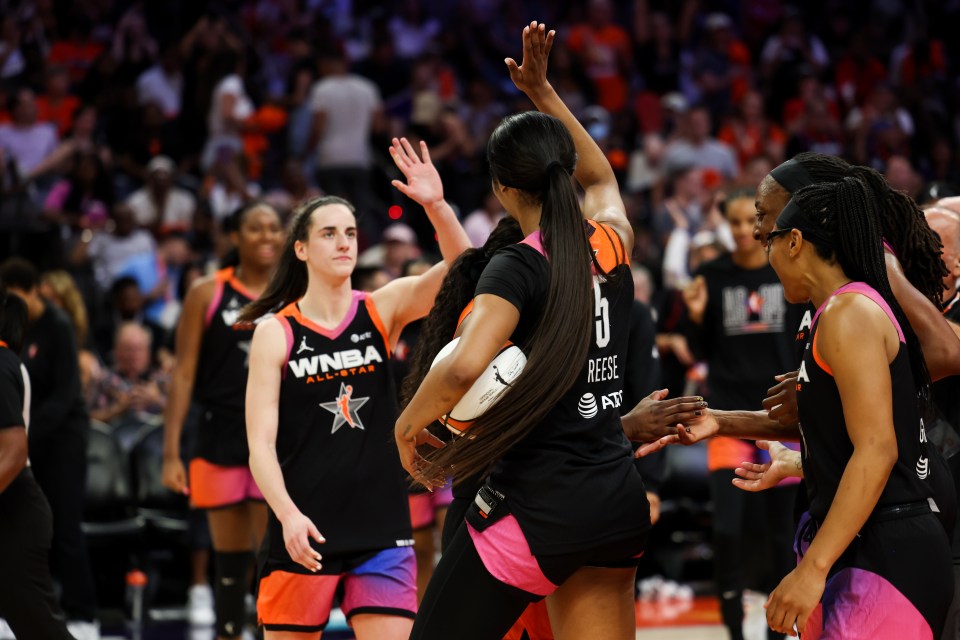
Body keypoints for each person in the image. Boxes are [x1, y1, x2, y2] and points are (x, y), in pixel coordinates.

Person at [395, 23, 648, 640]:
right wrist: (542, 91)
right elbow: (603, 181)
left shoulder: (518, 264)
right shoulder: (611, 245)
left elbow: (461, 366)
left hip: (539, 502)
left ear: (503, 189)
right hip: (615, 495)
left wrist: (405, 427)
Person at [243, 137, 471, 637]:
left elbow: (464, 270)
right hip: (304, 528)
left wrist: (435, 205)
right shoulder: (274, 332)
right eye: (329, 233)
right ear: (300, 248)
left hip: (381, 530)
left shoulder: (380, 308)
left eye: (350, 232)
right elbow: (259, 444)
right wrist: (286, 516)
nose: (345, 242)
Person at [758, 179, 950, 637]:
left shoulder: (850, 313)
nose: (766, 254)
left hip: (888, 548)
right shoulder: (838, 310)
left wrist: (811, 570)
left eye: (770, 240)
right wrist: (802, 463)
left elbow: (878, 451)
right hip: (871, 541)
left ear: (795, 241)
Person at [161, 202, 284, 640]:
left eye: (274, 227)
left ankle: (272, 632)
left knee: (270, 553)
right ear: (235, 237)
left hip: (275, 436)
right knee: (228, 558)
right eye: (256, 228)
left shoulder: (297, 291)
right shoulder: (206, 291)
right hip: (218, 433)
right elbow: (184, 374)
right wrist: (171, 451)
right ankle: (228, 632)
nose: (268, 236)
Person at [681, 189, 800, 640]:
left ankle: (776, 632)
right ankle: (734, 632)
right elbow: (698, 350)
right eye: (730, 223)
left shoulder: (787, 270)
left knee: (779, 536)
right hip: (727, 420)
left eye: (746, 220)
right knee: (728, 533)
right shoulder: (711, 275)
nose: (741, 231)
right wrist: (694, 318)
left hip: (783, 423)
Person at [0, 258, 99, 639]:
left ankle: (84, 612)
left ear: (31, 291)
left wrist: (24, 434)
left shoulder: (56, 326)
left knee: (68, 527)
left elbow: (65, 394)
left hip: (63, 439)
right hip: (28, 435)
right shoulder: (15, 343)